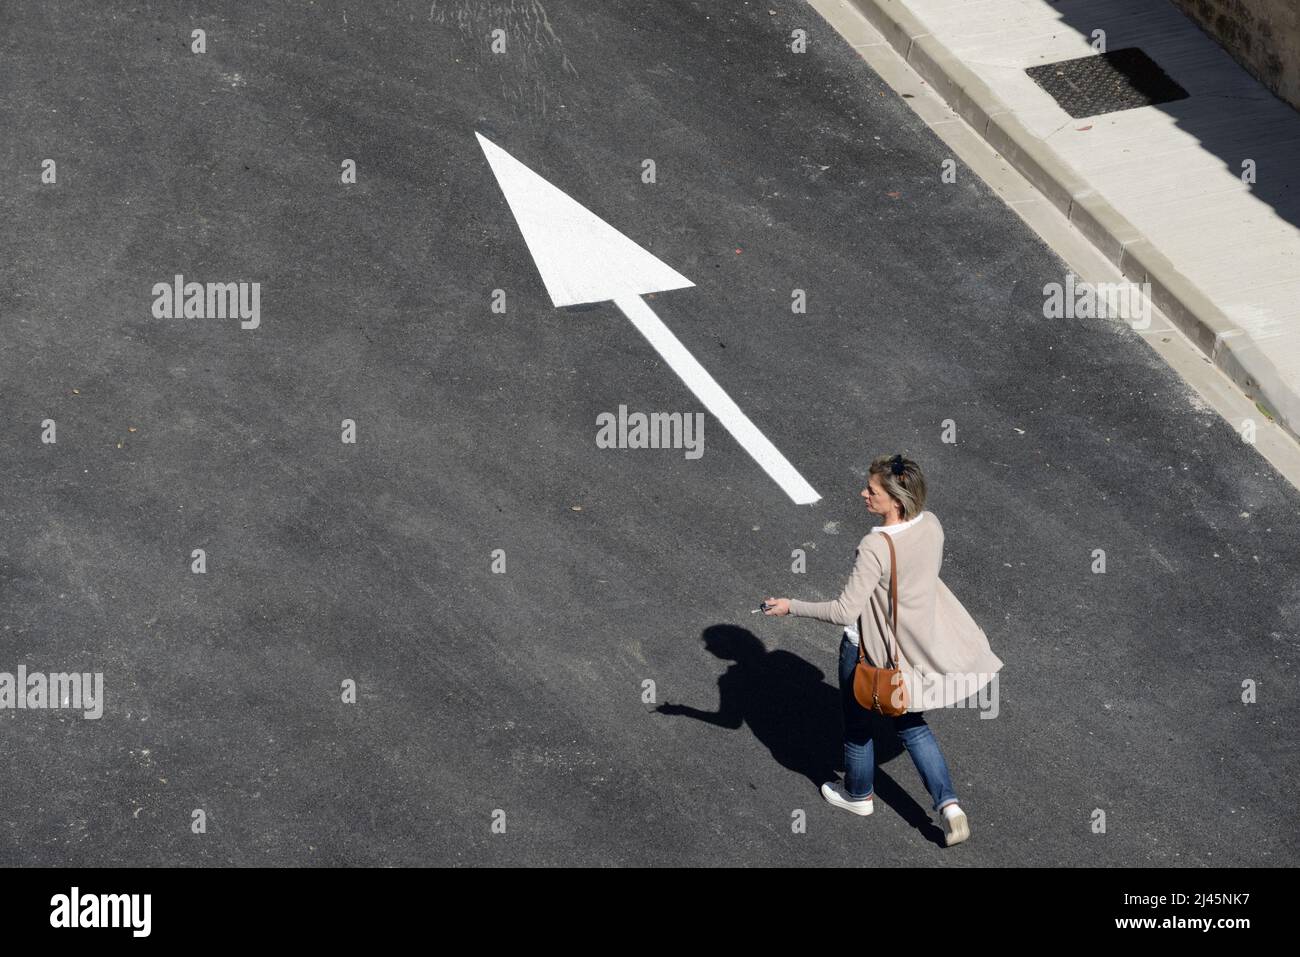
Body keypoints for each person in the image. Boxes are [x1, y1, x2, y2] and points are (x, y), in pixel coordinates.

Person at [764, 453, 1003, 847]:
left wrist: (792, 606)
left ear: (894, 499)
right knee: (910, 724)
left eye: (872, 490)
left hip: (870, 652)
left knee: (857, 727)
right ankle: (950, 806)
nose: (863, 494)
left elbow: (845, 610)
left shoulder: (875, 546)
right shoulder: (930, 524)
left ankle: (858, 796)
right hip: (911, 648)